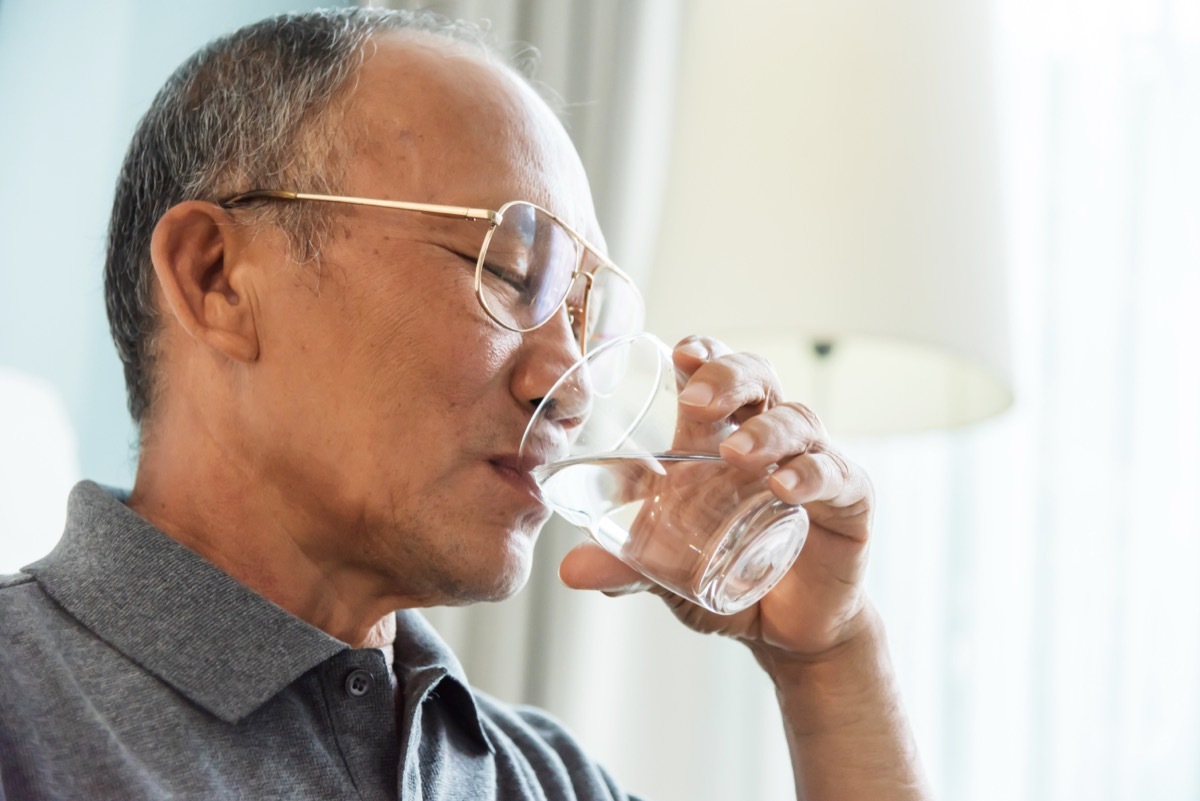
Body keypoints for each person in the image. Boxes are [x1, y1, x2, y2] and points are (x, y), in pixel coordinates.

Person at [0, 8, 930, 800]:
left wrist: (830, 658)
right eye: (511, 273)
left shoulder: (545, 777)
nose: (567, 384)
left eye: (587, 318)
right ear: (217, 280)